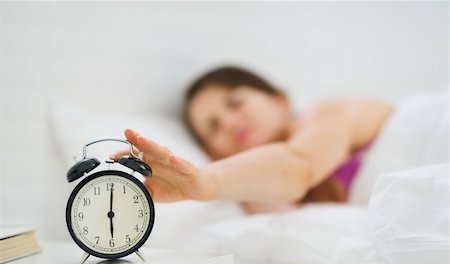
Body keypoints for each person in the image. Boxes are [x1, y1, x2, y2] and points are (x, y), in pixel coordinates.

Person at [110, 66, 392, 214]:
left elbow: (298, 166)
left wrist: (207, 180)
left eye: (235, 102)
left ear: (279, 100)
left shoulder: (325, 114)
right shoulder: (268, 185)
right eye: (214, 127)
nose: (230, 123)